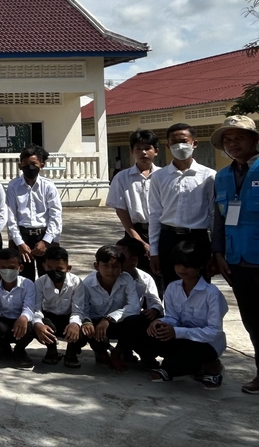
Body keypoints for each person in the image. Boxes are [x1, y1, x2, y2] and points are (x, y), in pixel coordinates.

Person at [209, 115, 259, 394]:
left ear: (254, 139)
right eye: (227, 139)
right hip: (236, 260)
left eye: (239, 136)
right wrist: (218, 252)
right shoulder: (223, 177)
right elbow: (218, 218)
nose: (233, 143)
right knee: (252, 321)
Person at [137, 241, 228, 388]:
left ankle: (211, 366)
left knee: (187, 355)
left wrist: (177, 332)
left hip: (206, 343)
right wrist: (161, 323)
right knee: (147, 334)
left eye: (188, 265)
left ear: (200, 266)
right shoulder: (173, 288)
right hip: (180, 337)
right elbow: (173, 318)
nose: (182, 269)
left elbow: (214, 332)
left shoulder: (212, 294)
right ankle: (189, 365)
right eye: (178, 264)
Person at [148, 123, 215, 291]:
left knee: (201, 287)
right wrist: (154, 251)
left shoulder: (209, 176)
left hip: (198, 239)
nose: (180, 146)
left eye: (184, 141)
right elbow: (155, 214)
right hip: (168, 238)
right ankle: (172, 317)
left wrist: (216, 251)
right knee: (171, 286)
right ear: (167, 145)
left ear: (194, 143)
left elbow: (214, 215)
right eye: (174, 142)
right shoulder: (159, 177)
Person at [69, 246, 140, 373]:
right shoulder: (87, 283)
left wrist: (108, 318)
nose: (110, 271)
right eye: (105, 266)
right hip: (96, 323)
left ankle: (117, 352)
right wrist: (87, 321)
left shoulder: (127, 279)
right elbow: (82, 308)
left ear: (122, 267)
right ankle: (101, 352)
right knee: (89, 331)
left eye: (116, 266)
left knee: (136, 321)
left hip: (116, 322)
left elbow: (134, 306)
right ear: (96, 266)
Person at [107, 130, 160, 281]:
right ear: (131, 151)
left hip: (160, 230)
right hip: (134, 232)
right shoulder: (122, 177)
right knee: (136, 277)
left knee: (159, 274)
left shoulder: (163, 176)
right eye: (138, 148)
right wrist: (139, 241)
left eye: (147, 148)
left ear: (156, 151)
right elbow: (121, 211)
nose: (143, 152)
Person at [5, 144, 62, 279]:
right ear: (20, 166)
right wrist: (19, 243)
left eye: (33, 164)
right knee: (23, 279)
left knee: (50, 278)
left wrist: (46, 241)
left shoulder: (48, 186)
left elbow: (55, 215)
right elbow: (10, 216)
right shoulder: (13, 186)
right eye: (25, 164)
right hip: (22, 237)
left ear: (41, 165)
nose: (29, 167)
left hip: (45, 235)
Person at [0, 248, 37, 367]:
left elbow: (29, 306)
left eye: (12, 268)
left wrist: (24, 317)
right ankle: (4, 349)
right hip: (3, 319)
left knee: (29, 328)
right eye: (3, 267)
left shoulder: (28, 284)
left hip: (20, 320)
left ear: (20, 268)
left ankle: (20, 350)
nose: (7, 271)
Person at [32, 244, 82, 367]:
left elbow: (79, 309)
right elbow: (35, 308)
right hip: (50, 317)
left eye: (59, 269)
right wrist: (38, 323)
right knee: (37, 324)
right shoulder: (40, 283)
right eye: (49, 268)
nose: (54, 272)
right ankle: (51, 351)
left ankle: (71, 353)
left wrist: (75, 324)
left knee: (82, 326)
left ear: (68, 268)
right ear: (44, 266)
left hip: (69, 316)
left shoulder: (77, 283)